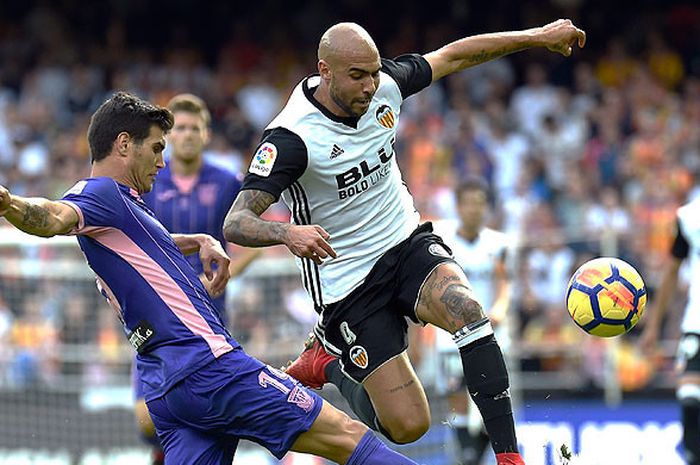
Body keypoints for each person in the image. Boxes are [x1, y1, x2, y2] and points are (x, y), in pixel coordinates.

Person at [223, 19, 585, 465]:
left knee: (469, 312)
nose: (371, 85)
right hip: (350, 281)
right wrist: (286, 232)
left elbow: (454, 55)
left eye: (375, 72)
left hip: (406, 241)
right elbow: (236, 221)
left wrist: (536, 37)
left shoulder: (385, 87)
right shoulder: (292, 137)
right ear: (326, 71)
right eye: (358, 75)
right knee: (408, 425)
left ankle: (510, 457)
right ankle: (328, 362)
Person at [0, 91, 424, 465]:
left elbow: (153, 242)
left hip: (168, 389)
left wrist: (200, 239)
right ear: (124, 144)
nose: (161, 162)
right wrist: (9, 203)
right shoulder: (101, 194)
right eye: (156, 148)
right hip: (208, 367)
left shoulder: (124, 209)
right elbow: (51, 216)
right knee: (347, 437)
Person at [135, 93, 260, 464]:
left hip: (211, 315)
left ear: (206, 134)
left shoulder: (226, 183)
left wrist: (227, 271)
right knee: (147, 418)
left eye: (194, 128)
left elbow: (254, 235)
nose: (187, 135)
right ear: (170, 136)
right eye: (181, 128)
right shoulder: (149, 182)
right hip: (157, 314)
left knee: (207, 410)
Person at [432, 177, 513, 465]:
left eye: (480, 203)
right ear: (458, 206)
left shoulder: (498, 244)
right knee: (457, 399)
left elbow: (503, 282)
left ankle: (473, 456)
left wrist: (500, 307)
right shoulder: (441, 240)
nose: (475, 210)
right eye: (469, 204)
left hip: (489, 335)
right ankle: (466, 454)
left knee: (491, 399)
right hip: (449, 338)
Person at [641, 195, 700, 465]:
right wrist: (653, 326)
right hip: (696, 324)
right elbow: (672, 272)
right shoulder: (689, 217)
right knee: (690, 398)